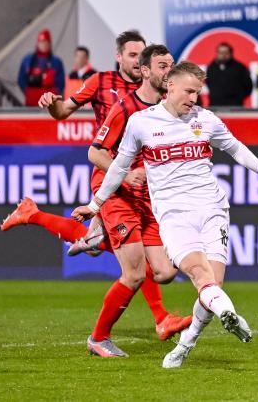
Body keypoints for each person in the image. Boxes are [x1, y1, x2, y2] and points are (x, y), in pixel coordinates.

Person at [71, 61, 258, 369]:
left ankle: (186, 345)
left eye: (198, 92)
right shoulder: (142, 123)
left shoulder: (205, 120)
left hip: (213, 210)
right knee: (200, 276)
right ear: (169, 86)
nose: (194, 99)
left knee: (212, 287)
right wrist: (95, 204)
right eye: (189, 92)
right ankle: (227, 316)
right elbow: (118, 167)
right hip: (174, 216)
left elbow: (235, 148)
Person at [2, 31, 189, 342]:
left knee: (117, 246)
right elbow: (63, 114)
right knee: (131, 255)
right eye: (132, 55)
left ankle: (34, 215)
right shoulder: (103, 84)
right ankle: (156, 319)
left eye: (142, 56)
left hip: (142, 177)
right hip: (111, 171)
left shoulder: (159, 93)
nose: (138, 61)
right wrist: (52, 103)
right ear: (120, 57)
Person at [84, 44, 193, 357]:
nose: (168, 72)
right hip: (116, 192)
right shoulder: (125, 107)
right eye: (162, 66)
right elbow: (95, 152)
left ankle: (102, 239)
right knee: (132, 273)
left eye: (171, 65)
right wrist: (124, 173)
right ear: (145, 71)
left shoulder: (165, 110)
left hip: (145, 199)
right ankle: (98, 339)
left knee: (166, 272)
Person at [18, 29, 65, 106]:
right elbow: (21, 80)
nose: (44, 45)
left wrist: (53, 96)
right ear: (38, 43)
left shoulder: (56, 61)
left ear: (50, 44)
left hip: (50, 104)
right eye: (42, 42)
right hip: (31, 103)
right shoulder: (28, 60)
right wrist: (28, 92)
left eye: (46, 43)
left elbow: (61, 83)